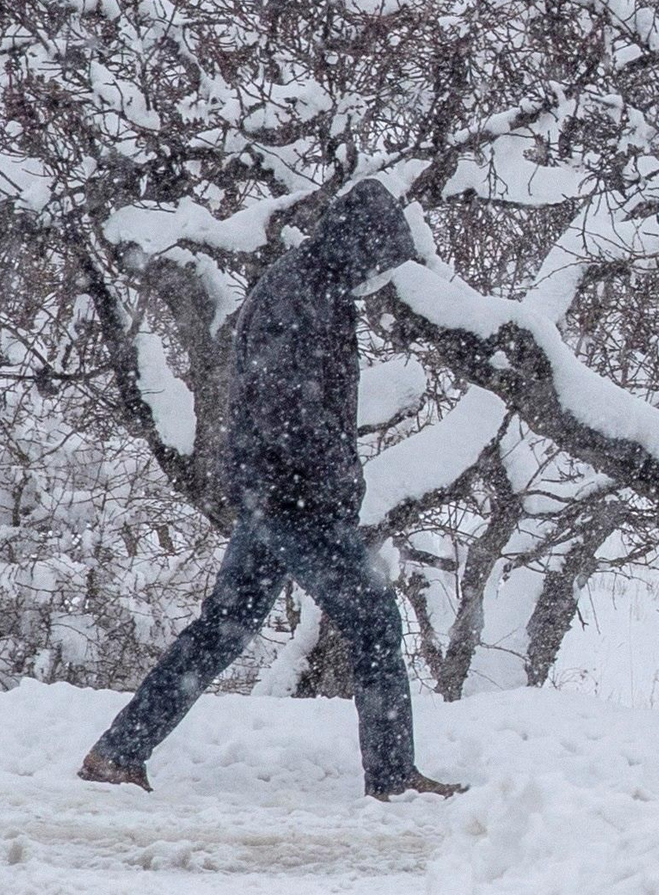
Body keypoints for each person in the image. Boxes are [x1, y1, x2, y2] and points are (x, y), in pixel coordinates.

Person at [78, 179, 465, 800]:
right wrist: (331, 484)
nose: (378, 275)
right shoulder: (302, 293)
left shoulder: (312, 286)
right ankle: (394, 777)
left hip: (272, 493)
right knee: (374, 625)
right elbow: (290, 406)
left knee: (222, 629)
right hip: (297, 497)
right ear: (356, 244)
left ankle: (118, 752)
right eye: (378, 259)